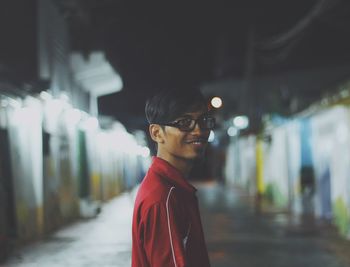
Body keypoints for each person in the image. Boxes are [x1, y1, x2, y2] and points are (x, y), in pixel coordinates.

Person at [131, 88, 214, 267]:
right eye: (184, 122)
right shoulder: (163, 198)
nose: (199, 131)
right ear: (156, 133)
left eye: (203, 121)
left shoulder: (171, 188)